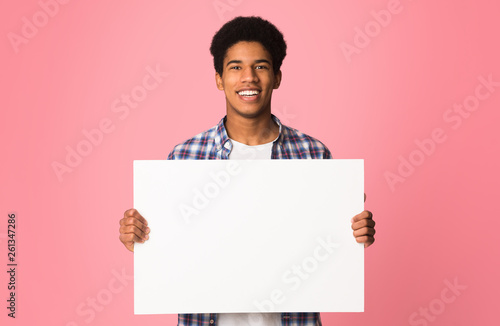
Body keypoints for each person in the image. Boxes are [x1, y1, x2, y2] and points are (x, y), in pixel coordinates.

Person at [119, 16, 376, 326]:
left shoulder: (313, 155)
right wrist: (142, 240)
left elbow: (330, 249)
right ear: (218, 78)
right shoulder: (185, 157)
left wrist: (354, 235)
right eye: (236, 67)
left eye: (261, 66)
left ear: (277, 77)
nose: (249, 78)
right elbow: (172, 251)